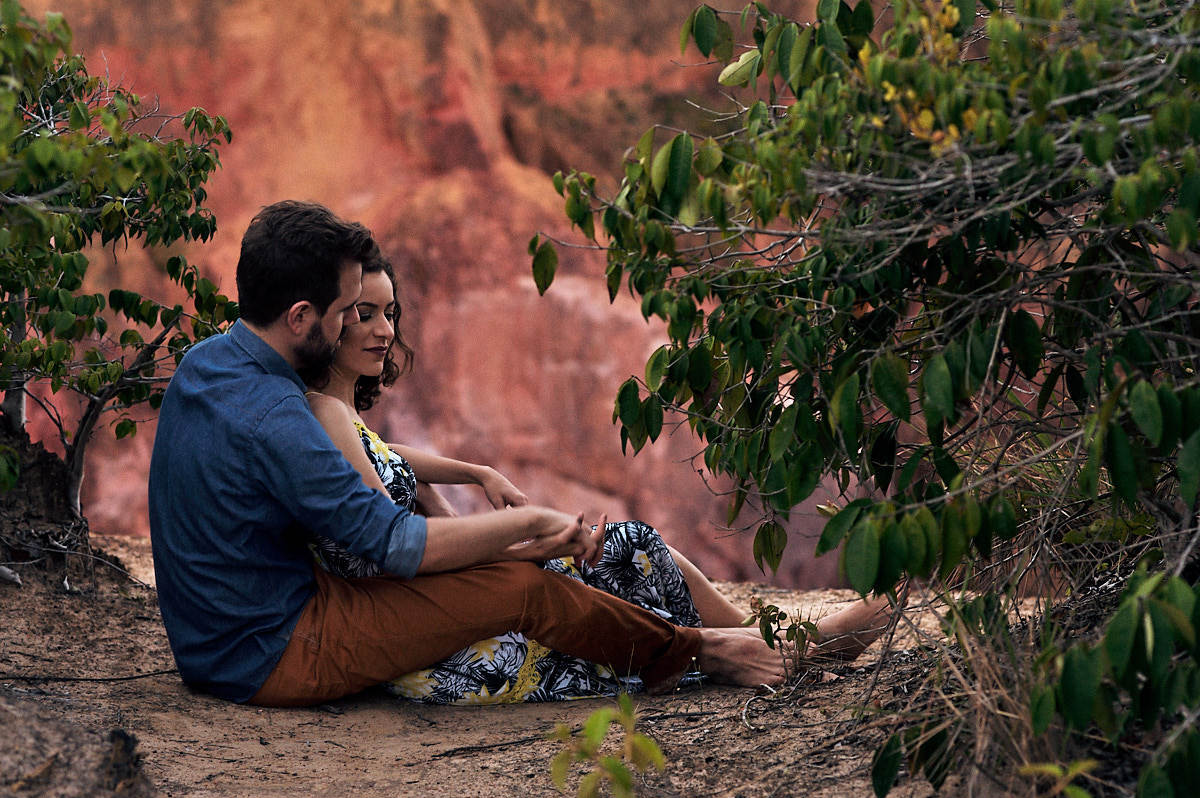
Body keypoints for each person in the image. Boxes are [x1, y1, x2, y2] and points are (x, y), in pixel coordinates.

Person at [147, 200, 799, 709]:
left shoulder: (207, 364)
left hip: (227, 639)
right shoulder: (279, 414)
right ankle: (703, 652)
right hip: (273, 652)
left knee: (543, 576)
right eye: (347, 310)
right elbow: (394, 544)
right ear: (298, 317)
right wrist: (530, 524)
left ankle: (712, 642)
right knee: (523, 590)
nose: (358, 324)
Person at [301, 251, 897, 703]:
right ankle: (765, 652)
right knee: (588, 590)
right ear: (328, 322)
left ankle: (767, 641)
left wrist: (480, 475)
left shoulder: (343, 415)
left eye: (391, 313)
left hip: (445, 602)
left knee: (627, 548)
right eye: (365, 314)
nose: (384, 330)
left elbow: (388, 454)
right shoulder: (323, 411)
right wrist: (531, 541)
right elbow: (400, 548)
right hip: (429, 644)